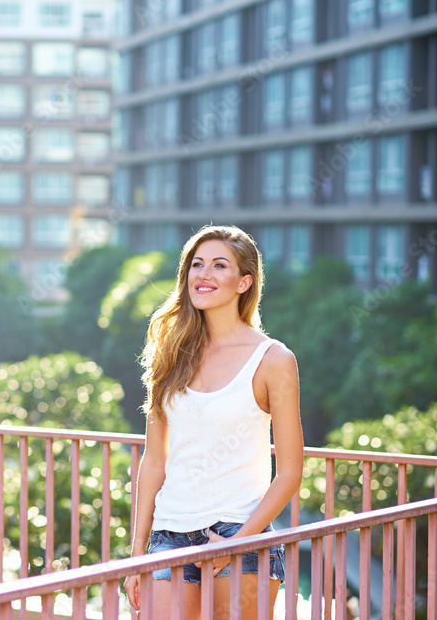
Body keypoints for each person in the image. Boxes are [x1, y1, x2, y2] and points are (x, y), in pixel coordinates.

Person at [124, 225, 304, 619]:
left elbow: (290, 471)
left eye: (219, 265)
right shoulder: (168, 354)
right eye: (196, 264)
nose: (202, 274)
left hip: (240, 533)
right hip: (169, 536)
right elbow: (154, 461)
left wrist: (238, 542)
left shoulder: (273, 359)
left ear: (244, 282)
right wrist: (136, 554)